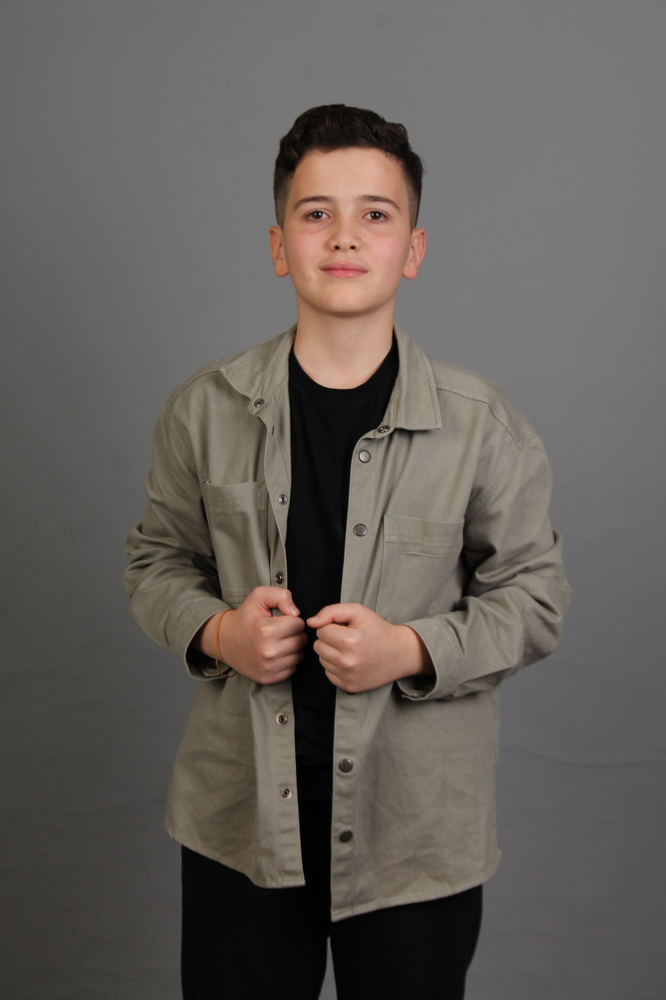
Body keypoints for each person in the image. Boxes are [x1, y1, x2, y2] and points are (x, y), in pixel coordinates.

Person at [124, 104, 572, 1000]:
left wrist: (409, 649)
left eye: (375, 212)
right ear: (278, 244)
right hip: (239, 823)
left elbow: (535, 599)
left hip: (416, 833)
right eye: (315, 212)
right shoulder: (202, 410)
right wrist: (221, 634)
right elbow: (156, 563)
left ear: (412, 248)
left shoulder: (485, 427)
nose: (344, 236)